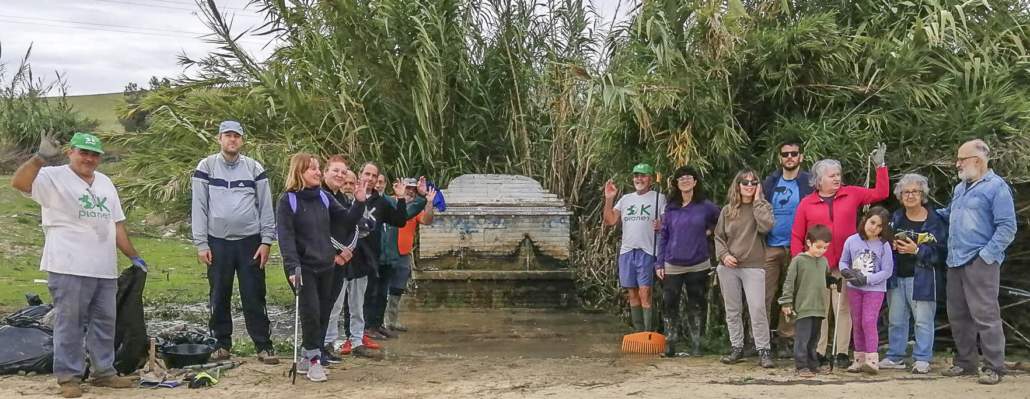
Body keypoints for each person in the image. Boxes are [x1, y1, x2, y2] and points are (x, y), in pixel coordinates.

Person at [11, 132, 142, 397]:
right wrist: (40, 159)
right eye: (83, 152)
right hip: (68, 265)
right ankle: (68, 378)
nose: (89, 159)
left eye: (94, 154)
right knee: (69, 323)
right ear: (71, 152)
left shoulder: (105, 182)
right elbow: (19, 183)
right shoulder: (52, 177)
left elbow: (116, 224)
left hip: (104, 267)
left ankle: (103, 372)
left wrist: (133, 256)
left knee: (105, 322)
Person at [790, 143, 889, 367]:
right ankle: (819, 350)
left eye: (838, 175)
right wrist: (800, 261)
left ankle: (842, 352)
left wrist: (880, 167)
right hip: (816, 263)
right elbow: (796, 235)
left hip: (847, 262)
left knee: (844, 307)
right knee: (819, 309)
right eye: (832, 176)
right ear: (819, 180)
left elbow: (881, 193)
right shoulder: (807, 203)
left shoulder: (851, 193)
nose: (837, 179)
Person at [190, 120, 278, 364]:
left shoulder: (254, 168)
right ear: (219, 138)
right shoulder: (206, 166)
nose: (232, 140)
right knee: (219, 295)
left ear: (242, 140)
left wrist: (267, 241)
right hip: (217, 243)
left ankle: (263, 345)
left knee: (254, 295)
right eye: (228, 135)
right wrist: (201, 244)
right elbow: (198, 207)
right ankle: (221, 344)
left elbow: (266, 206)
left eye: (236, 136)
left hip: (250, 242)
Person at [276, 153, 367, 382]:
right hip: (302, 268)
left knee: (323, 314)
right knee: (310, 313)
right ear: (299, 173)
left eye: (318, 168)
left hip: (326, 265)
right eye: (313, 169)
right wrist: (291, 268)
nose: (317, 172)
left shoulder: (324, 198)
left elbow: (346, 221)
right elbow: (286, 238)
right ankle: (315, 359)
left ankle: (308, 355)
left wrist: (359, 202)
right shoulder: (288, 201)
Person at [938, 139, 1017, 385]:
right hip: (955, 260)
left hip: (980, 262)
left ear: (977, 160)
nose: (957, 163)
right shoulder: (960, 188)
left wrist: (986, 256)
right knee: (958, 314)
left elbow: (1007, 227)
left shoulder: (996, 187)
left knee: (985, 315)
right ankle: (966, 363)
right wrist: (921, 211)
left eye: (961, 159)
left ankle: (995, 367)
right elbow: (949, 215)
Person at [881, 174, 946, 374]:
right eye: (906, 192)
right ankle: (895, 356)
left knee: (923, 321)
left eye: (915, 192)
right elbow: (882, 242)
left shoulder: (935, 220)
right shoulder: (896, 218)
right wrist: (889, 245)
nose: (910, 196)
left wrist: (916, 251)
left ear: (923, 194)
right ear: (900, 196)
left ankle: (922, 359)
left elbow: (942, 251)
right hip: (897, 276)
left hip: (924, 278)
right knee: (896, 320)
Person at [655, 166, 719, 356]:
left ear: (695, 181)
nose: (684, 181)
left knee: (696, 304)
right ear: (676, 183)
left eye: (688, 177)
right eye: (680, 178)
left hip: (698, 263)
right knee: (669, 303)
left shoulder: (705, 206)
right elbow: (664, 236)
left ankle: (696, 344)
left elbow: (722, 219)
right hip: (673, 263)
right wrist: (659, 263)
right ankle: (670, 343)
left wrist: (710, 230)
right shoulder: (671, 207)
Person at [714, 169, 775, 367]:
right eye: (745, 182)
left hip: (754, 266)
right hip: (729, 266)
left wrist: (757, 201)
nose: (749, 185)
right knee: (732, 309)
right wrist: (724, 256)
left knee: (757, 309)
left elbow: (766, 227)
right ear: (737, 185)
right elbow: (718, 237)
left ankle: (764, 350)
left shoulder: (763, 206)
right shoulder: (728, 210)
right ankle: (736, 347)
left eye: (753, 182)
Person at [361, 165, 427, 341]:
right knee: (369, 294)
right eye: (369, 175)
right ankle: (365, 328)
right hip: (367, 257)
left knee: (382, 293)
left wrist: (420, 197)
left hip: (388, 257)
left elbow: (404, 216)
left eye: (379, 179)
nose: (377, 182)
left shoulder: (388, 202)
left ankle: (376, 325)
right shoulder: (357, 199)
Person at [762, 139, 812, 355]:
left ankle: (787, 338)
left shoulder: (809, 182)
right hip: (771, 245)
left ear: (801, 156)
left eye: (794, 153)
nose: (790, 157)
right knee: (764, 294)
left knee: (791, 294)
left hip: (797, 246)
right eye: (785, 154)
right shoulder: (770, 182)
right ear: (779, 158)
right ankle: (760, 339)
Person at [603, 163, 666, 332]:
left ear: (650, 179)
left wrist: (662, 224)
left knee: (645, 292)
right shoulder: (626, 199)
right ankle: (638, 332)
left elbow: (668, 222)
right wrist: (609, 198)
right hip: (627, 251)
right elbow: (610, 220)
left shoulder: (659, 197)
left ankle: (649, 332)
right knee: (632, 293)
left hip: (647, 251)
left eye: (643, 175)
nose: (639, 179)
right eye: (636, 175)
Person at [838, 206, 894, 374]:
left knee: (868, 321)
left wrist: (868, 279)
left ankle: (872, 359)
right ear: (865, 220)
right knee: (857, 322)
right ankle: (859, 358)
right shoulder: (851, 241)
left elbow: (887, 271)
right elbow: (843, 261)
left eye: (879, 226)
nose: (874, 228)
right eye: (872, 222)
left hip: (874, 289)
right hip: (854, 287)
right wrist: (846, 272)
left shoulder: (884, 245)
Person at [319, 156, 363, 364]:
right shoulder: (320, 195)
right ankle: (317, 346)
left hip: (342, 260)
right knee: (320, 305)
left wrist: (348, 250)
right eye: (335, 171)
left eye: (344, 172)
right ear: (324, 172)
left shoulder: (343, 198)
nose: (340, 175)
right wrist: (338, 251)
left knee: (332, 305)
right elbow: (319, 229)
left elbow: (352, 224)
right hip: (323, 259)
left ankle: (326, 345)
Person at [382, 178, 437, 332]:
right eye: (408, 188)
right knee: (380, 288)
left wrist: (429, 202)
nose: (410, 191)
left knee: (397, 289)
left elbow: (427, 220)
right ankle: (376, 323)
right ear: (399, 187)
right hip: (386, 253)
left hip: (404, 254)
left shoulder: (414, 208)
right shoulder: (389, 203)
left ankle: (391, 321)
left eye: (413, 189)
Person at [779, 224, 832, 378]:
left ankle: (812, 364)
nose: (822, 251)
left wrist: (832, 281)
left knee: (814, 339)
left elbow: (825, 278)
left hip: (819, 307)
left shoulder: (824, 261)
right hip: (803, 307)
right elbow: (789, 282)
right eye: (819, 247)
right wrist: (786, 302)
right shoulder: (798, 260)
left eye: (825, 248)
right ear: (809, 242)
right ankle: (801, 365)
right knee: (803, 339)